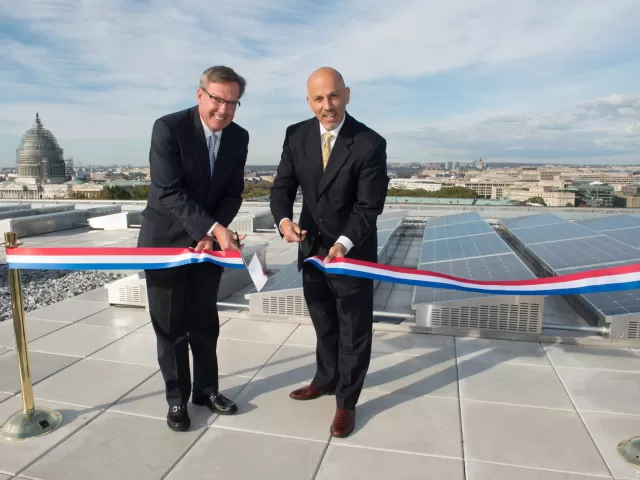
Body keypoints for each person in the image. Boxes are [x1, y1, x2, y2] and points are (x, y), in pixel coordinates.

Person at [270, 67, 389, 437]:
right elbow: (282, 186)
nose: (327, 106)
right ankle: (325, 379)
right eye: (319, 99)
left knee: (354, 329)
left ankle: (346, 403)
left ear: (347, 95)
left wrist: (344, 243)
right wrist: (283, 221)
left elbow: (368, 207)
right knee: (324, 322)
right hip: (310, 248)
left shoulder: (369, 143)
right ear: (309, 101)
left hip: (351, 251)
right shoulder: (296, 135)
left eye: (334, 96)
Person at [138, 66, 249, 432]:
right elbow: (169, 191)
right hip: (165, 242)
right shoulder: (168, 128)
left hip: (207, 246)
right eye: (217, 99)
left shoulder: (239, 137)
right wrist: (214, 228)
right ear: (200, 95)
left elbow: (233, 192)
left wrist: (210, 233)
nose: (224, 110)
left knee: (205, 323)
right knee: (170, 328)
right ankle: (176, 400)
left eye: (232, 102)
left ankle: (206, 391)